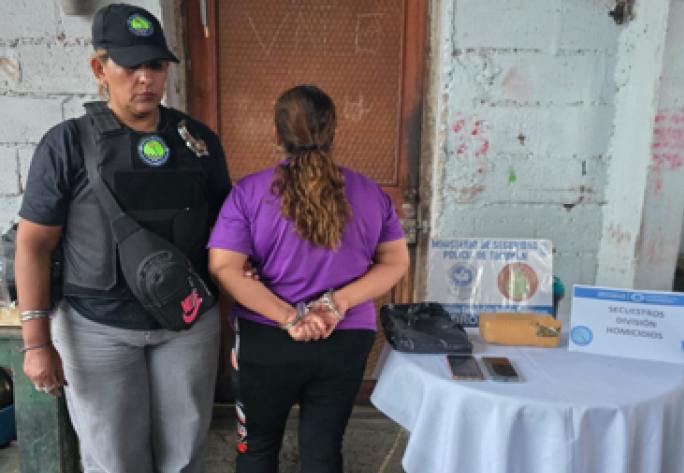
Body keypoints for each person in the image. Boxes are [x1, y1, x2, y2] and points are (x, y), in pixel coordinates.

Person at [15, 4, 231, 472]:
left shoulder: (198, 141)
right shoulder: (67, 143)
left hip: (186, 326)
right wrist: (36, 343)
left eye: (155, 65)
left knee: (184, 457)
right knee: (114, 460)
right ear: (100, 68)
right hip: (98, 329)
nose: (145, 78)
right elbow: (34, 244)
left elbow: (226, 236)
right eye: (131, 65)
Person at [208, 84, 409, 473]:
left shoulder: (247, 192)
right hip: (345, 338)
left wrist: (291, 317)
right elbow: (395, 262)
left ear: (276, 133)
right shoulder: (371, 193)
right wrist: (335, 305)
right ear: (334, 132)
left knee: (257, 450)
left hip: (266, 340)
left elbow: (223, 267)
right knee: (323, 452)